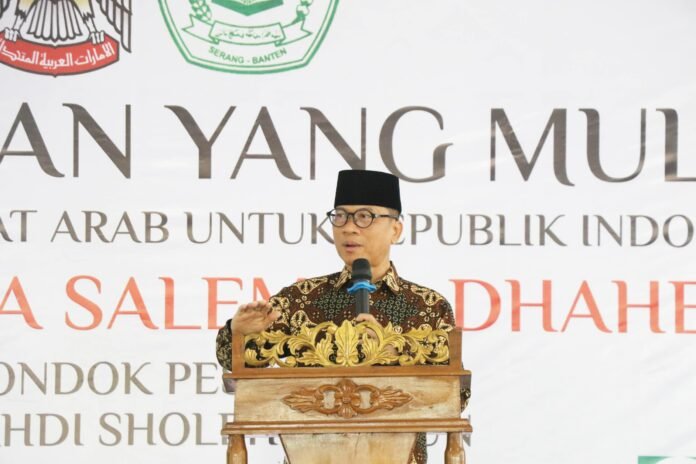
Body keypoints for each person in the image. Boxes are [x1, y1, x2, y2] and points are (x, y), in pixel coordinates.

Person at [216, 169, 455, 464]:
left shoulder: (428, 306)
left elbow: (457, 396)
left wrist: (395, 352)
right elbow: (238, 367)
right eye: (340, 216)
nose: (349, 228)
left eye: (364, 217)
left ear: (395, 230)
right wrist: (239, 332)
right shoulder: (300, 299)